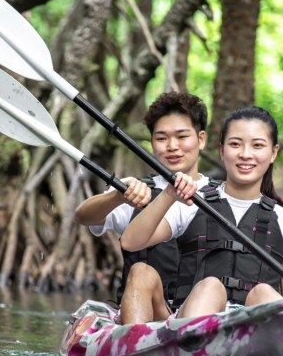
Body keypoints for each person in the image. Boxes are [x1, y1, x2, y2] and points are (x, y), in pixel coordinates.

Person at [121, 105, 283, 319]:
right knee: (206, 285)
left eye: (257, 145)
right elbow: (130, 242)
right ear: (222, 151)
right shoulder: (192, 202)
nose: (245, 154)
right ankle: (187, 345)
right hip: (190, 322)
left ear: (273, 152)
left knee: (263, 293)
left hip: (254, 331)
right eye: (235, 144)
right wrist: (168, 195)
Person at [74, 92, 211, 324]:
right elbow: (83, 216)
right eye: (161, 138)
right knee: (141, 271)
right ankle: (134, 344)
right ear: (152, 142)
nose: (172, 147)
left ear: (201, 139)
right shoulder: (135, 191)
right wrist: (117, 196)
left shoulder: (221, 195)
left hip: (198, 315)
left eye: (182, 136)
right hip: (145, 311)